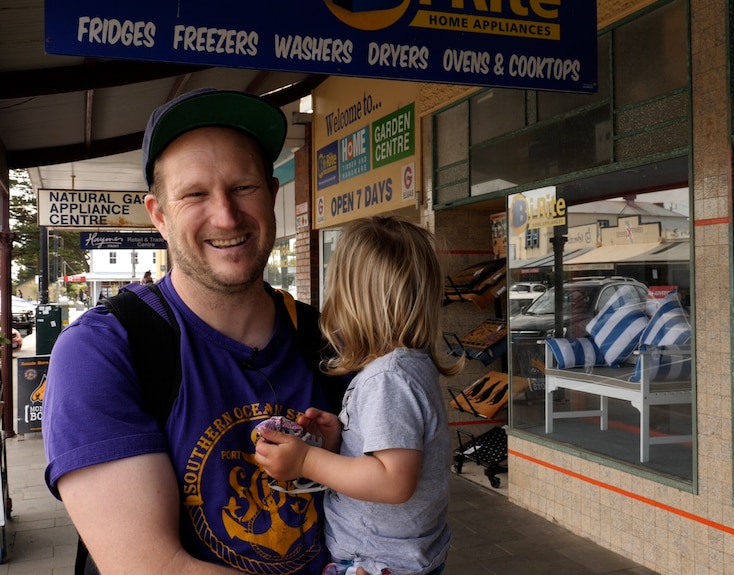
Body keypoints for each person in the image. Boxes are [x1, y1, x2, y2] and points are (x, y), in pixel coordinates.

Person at [43, 88, 351, 574]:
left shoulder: (334, 340)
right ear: (159, 215)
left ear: (273, 196)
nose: (226, 216)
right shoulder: (102, 351)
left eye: (243, 187)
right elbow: (152, 567)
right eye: (195, 194)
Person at [255, 216, 465, 575]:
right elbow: (392, 454)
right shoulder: (408, 367)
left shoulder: (388, 378)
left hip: (378, 562)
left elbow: (393, 481)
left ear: (355, 300)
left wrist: (307, 462)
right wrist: (342, 439)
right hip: (400, 555)